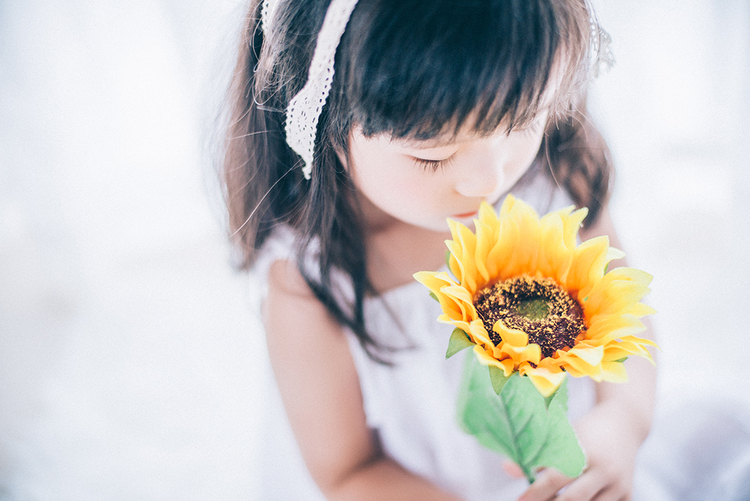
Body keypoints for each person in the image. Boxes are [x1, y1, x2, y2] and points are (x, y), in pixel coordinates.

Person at [220, 0, 657, 499]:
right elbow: (347, 471)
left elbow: (628, 320)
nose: (489, 180)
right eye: (434, 156)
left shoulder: (559, 175)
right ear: (321, 123)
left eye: (524, 121)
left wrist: (622, 419)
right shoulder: (309, 280)